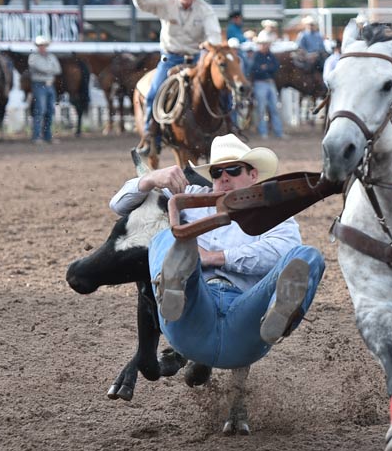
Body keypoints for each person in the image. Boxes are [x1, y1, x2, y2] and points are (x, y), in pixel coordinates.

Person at [109, 134, 325, 371]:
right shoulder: (189, 195)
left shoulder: (271, 211)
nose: (223, 177)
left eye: (233, 170)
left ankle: (279, 314)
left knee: (308, 256)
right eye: (216, 172)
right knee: (168, 236)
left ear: (253, 175)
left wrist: (216, 257)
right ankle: (172, 288)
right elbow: (119, 206)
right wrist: (150, 179)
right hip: (194, 310)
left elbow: (284, 248)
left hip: (245, 316)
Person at [128, 0, 221, 136]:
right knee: (153, 94)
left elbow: (214, 35)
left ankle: (230, 127)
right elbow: (143, 3)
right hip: (170, 59)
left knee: (222, 91)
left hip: (196, 60)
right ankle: (150, 135)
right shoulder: (166, 3)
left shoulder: (205, 10)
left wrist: (209, 46)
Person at [249, 30, 284, 139]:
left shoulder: (269, 55)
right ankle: (264, 131)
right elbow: (255, 70)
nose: (265, 45)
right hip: (261, 83)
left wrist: (265, 68)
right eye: (263, 43)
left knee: (274, 108)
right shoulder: (256, 56)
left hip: (268, 83)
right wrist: (267, 69)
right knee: (262, 108)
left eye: (266, 43)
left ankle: (277, 132)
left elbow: (275, 67)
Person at [28, 35, 61, 143]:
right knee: (40, 110)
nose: (42, 47)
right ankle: (36, 136)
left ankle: (47, 136)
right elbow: (42, 68)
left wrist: (47, 70)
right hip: (39, 85)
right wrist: (49, 70)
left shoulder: (51, 56)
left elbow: (58, 69)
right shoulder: (33, 57)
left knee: (50, 111)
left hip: (49, 85)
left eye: (43, 45)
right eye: (40, 45)